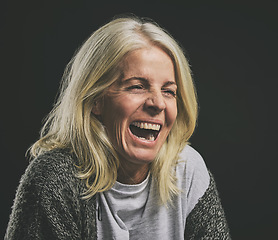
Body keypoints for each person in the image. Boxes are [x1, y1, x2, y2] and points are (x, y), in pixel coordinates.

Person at [5, 16, 231, 239]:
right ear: (96, 100)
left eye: (168, 91)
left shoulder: (186, 170)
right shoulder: (55, 180)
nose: (158, 103)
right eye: (137, 86)